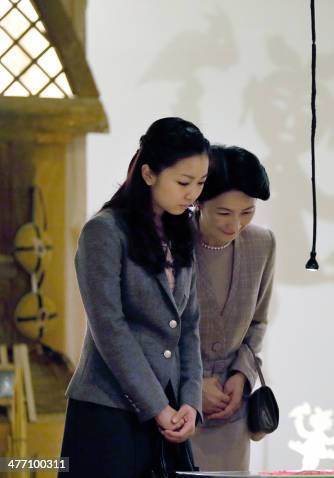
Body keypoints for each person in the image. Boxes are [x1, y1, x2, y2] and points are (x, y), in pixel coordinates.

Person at [60, 117, 210, 477]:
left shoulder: (182, 230)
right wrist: (158, 407)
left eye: (201, 183)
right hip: (108, 410)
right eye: (183, 182)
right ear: (148, 174)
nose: (192, 194)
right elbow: (109, 328)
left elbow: (187, 327)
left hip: (170, 412)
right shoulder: (105, 231)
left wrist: (190, 401)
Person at [190, 145, 275, 471]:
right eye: (224, 213)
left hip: (232, 408)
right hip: (177, 410)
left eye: (248, 212)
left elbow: (258, 321)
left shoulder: (262, 243)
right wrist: (193, 384)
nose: (236, 224)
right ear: (199, 201)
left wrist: (241, 376)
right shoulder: (170, 244)